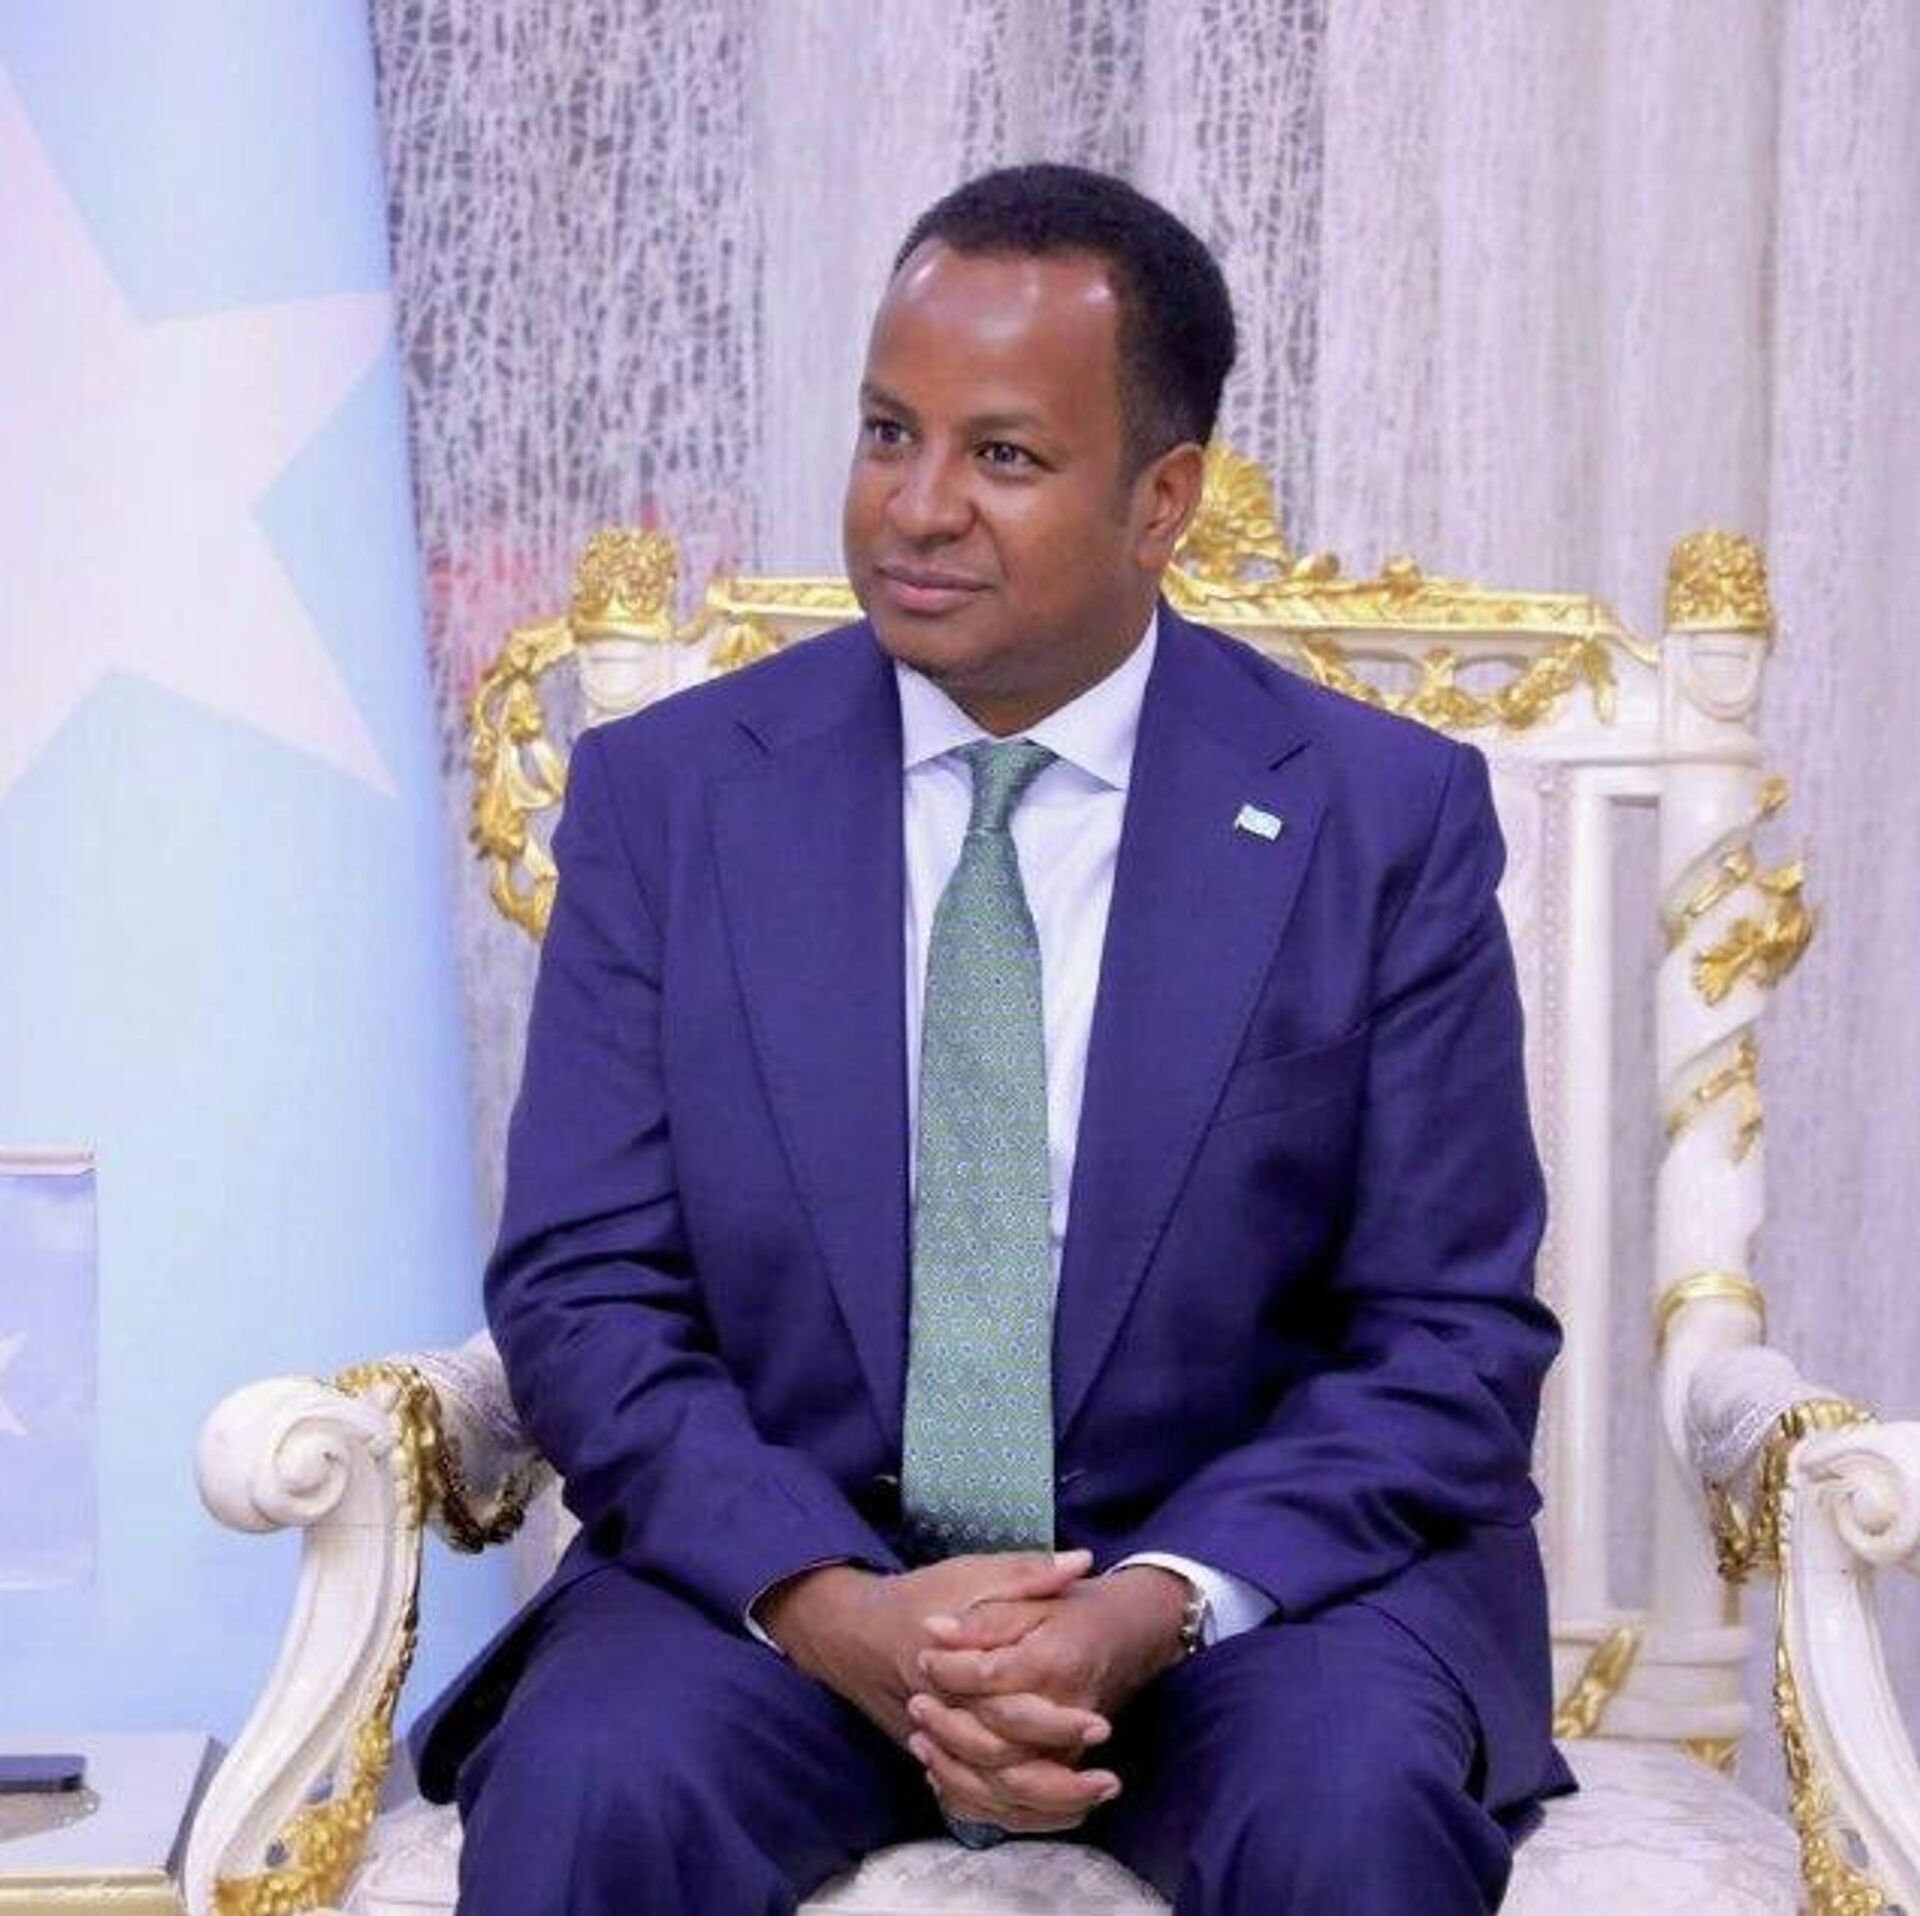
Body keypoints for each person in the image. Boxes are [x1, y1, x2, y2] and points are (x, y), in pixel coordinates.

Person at [413, 162, 1570, 1915]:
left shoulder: (1377, 818)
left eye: (1004, 456)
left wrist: (1150, 1605)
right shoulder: (672, 799)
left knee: (1354, 1817)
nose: (917, 508)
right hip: (784, 1590)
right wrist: (835, 1608)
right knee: (591, 1793)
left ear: (1162, 501)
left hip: (1244, 1607)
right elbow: (585, 1292)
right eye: (890, 433)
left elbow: (1449, 1335)